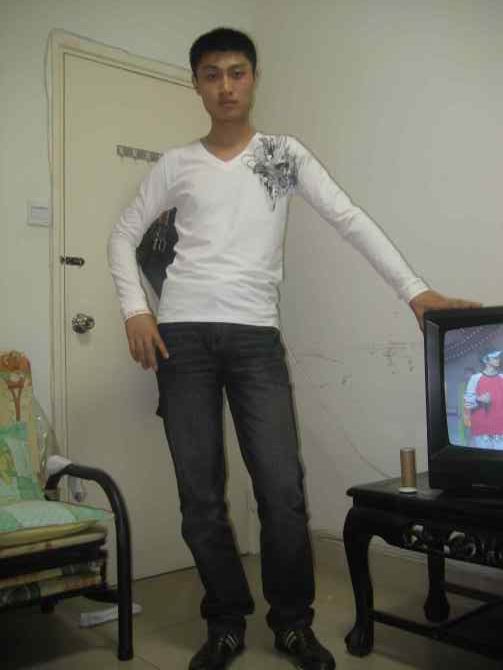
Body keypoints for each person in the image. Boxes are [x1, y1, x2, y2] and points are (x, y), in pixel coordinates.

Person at [108, 27, 479, 670]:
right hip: (183, 340)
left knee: (282, 491)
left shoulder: (281, 155)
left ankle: (291, 623)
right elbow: (122, 233)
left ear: (254, 78)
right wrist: (136, 310)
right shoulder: (176, 164)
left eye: (237, 72)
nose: (226, 86)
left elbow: (349, 218)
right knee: (200, 497)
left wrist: (414, 291)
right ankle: (225, 621)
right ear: (196, 84)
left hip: (256, 341)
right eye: (212, 75)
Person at [464, 351, 503, 450]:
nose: (498, 360)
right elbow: (468, 404)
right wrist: (479, 399)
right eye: (495, 357)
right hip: (482, 430)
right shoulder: (475, 378)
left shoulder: (502, 378)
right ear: (486, 360)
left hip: (500, 430)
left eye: (498, 357)